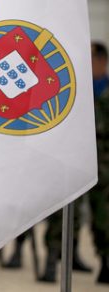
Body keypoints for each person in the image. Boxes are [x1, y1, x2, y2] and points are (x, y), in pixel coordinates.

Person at [90, 41, 109, 284]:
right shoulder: (81, 88)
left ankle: (105, 261)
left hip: (105, 165)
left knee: (104, 216)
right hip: (80, 163)